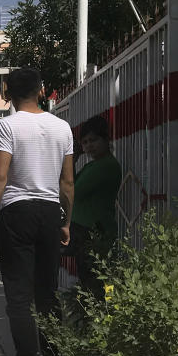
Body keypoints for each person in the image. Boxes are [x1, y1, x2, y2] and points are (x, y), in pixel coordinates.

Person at [0, 68, 74, 356]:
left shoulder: (8, 125)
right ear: (42, 90)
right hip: (50, 212)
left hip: (17, 211)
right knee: (46, 292)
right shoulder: (62, 127)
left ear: (7, 92)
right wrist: (66, 221)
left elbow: (1, 175)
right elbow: (67, 182)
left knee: (19, 296)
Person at [70, 115, 122, 300]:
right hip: (86, 230)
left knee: (93, 283)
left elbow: (73, 191)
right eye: (85, 142)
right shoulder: (94, 165)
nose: (89, 145)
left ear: (105, 138)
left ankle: (95, 322)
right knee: (89, 281)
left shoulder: (106, 166)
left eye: (94, 140)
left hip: (93, 231)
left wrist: (72, 159)